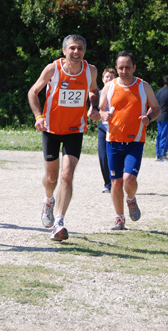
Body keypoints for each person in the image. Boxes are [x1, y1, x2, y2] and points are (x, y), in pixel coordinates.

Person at [27, 34, 100, 241]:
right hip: (51, 129)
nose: (76, 52)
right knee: (51, 178)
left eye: (80, 49)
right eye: (72, 48)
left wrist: (94, 106)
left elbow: (94, 91)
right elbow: (33, 92)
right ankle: (48, 200)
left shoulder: (90, 70)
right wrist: (38, 116)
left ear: (84, 51)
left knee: (67, 175)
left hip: (74, 130)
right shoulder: (53, 69)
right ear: (64, 51)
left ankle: (59, 222)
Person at [99, 51, 161, 231]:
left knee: (129, 179)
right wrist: (103, 114)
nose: (124, 71)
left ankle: (131, 199)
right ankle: (119, 218)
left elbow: (156, 108)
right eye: (121, 68)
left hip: (135, 141)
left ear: (134, 67)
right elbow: (96, 111)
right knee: (116, 182)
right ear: (116, 68)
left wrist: (148, 118)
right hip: (113, 141)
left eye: (127, 67)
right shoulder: (110, 86)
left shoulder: (143, 86)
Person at [97, 68, 117, 193]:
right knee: (103, 156)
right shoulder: (98, 94)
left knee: (115, 157)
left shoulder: (119, 93)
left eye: (111, 77)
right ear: (103, 80)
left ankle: (117, 180)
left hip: (117, 129)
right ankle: (108, 184)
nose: (109, 79)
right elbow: (94, 110)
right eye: (107, 77)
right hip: (103, 128)